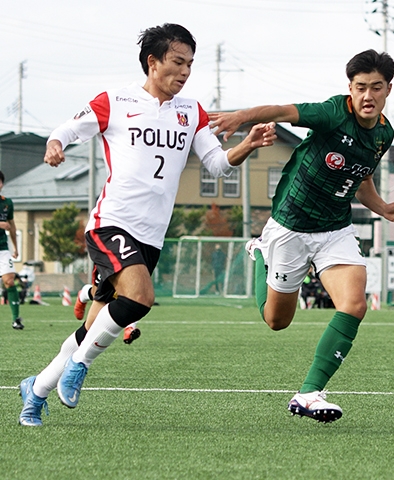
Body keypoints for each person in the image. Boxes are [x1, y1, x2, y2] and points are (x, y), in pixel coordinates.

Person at [18, 23, 276, 427]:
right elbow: (69, 128)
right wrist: (55, 144)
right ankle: (80, 367)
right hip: (111, 224)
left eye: (190, 64)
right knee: (140, 298)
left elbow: (217, 165)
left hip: (151, 235)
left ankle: (35, 390)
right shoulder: (115, 100)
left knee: (93, 326)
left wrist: (247, 144)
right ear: (152, 62)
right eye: (177, 62)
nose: (185, 71)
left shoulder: (192, 112)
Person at [210, 49, 394, 422]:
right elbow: (281, 111)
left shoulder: (384, 133)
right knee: (277, 321)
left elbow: (361, 178)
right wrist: (241, 117)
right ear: (350, 89)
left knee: (354, 305)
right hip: (290, 226)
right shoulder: (333, 113)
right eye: (360, 87)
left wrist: (383, 208)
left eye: (376, 87)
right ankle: (259, 252)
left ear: (388, 89)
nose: (368, 96)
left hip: (335, 228)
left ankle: (309, 393)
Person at [75, 283, 140, 343]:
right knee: (100, 293)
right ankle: (84, 294)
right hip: (108, 271)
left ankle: (129, 328)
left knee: (135, 295)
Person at [0, 171, 23, 330]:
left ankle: (16, 319)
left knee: (9, 280)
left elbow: (12, 226)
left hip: (2, 248)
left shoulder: (6, 203)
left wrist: (15, 247)